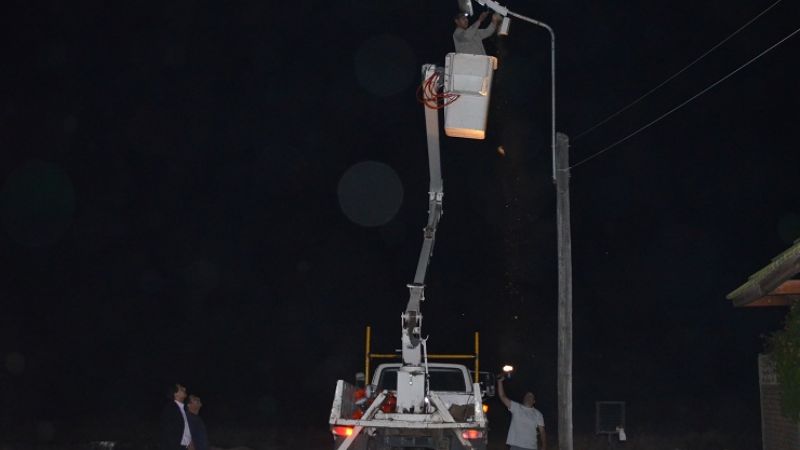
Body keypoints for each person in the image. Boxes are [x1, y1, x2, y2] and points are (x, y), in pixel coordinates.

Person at [497, 376, 546, 450]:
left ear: (534, 401)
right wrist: (499, 381)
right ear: (524, 398)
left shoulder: (538, 414)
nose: (528, 397)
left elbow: (542, 432)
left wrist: (544, 446)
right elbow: (502, 396)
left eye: (531, 396)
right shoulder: (516, 407)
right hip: (516, 446)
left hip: (531, 447)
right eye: (527, 395)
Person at [160, 383, 193, 450]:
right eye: (181, 388)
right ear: (175, 394)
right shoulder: (170, 409)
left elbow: (186, 431)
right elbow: (169, 433)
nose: (184, 389)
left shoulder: (184, 410)